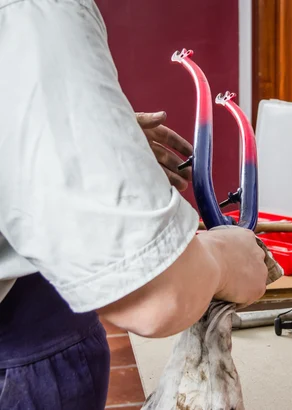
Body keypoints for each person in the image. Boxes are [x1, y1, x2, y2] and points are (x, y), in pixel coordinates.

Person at [0, 1, 269, 409]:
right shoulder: (38, 11)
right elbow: (156, 297)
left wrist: (82, 151)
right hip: (22, 358)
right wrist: (227, 259)